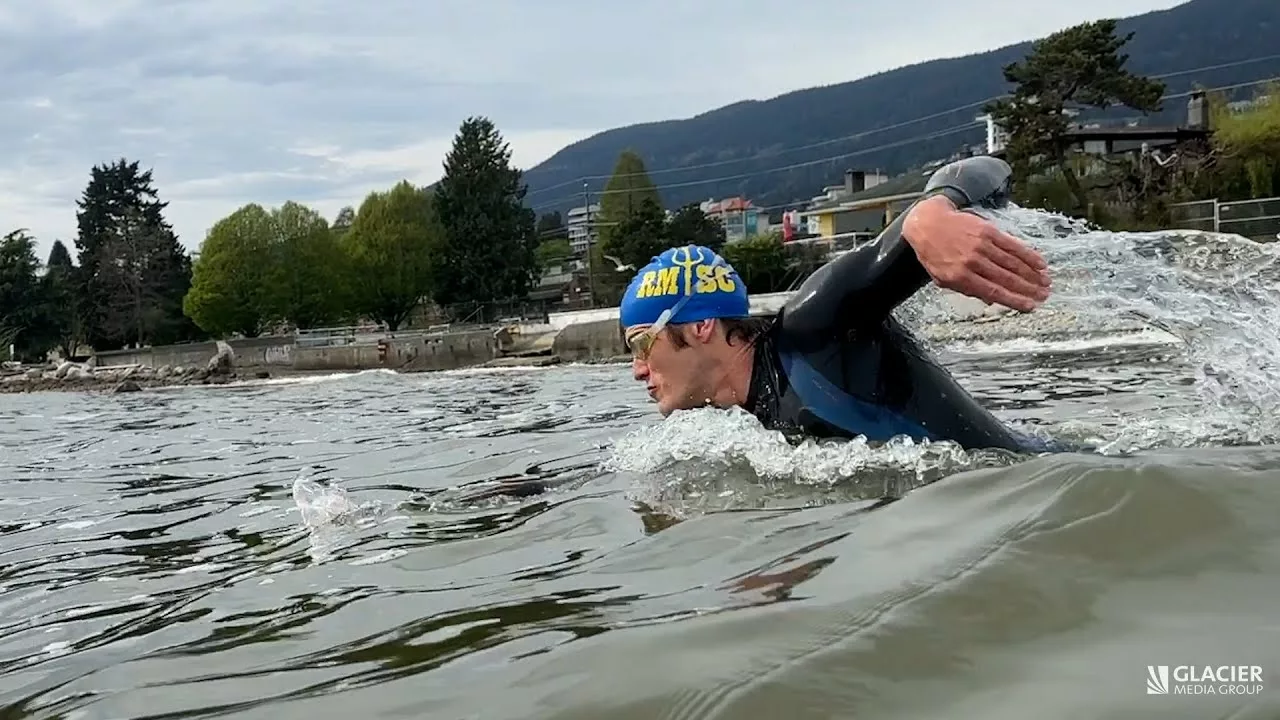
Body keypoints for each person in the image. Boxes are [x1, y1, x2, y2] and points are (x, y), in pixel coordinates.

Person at [618, 155, 1062, 453]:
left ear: (699, 327)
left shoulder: (817, 328)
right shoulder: (744, 420)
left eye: (641, 345)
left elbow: (988, 167)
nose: (637, 369)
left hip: (1042, 487)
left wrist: (933, 210)